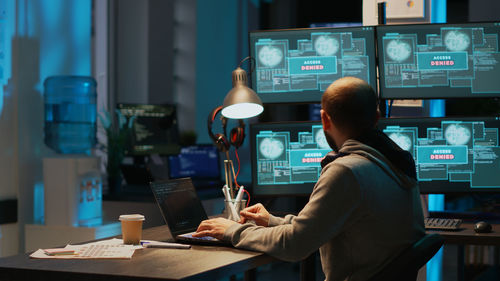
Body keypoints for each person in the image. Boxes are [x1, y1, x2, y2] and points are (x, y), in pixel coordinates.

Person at [193, 77, 425, 281]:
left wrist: (232, 231)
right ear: (376, 118)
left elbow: (295, 246)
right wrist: (272, 221)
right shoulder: (396, 161)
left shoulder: (347, 171)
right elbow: (319, 227)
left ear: (324, 119)